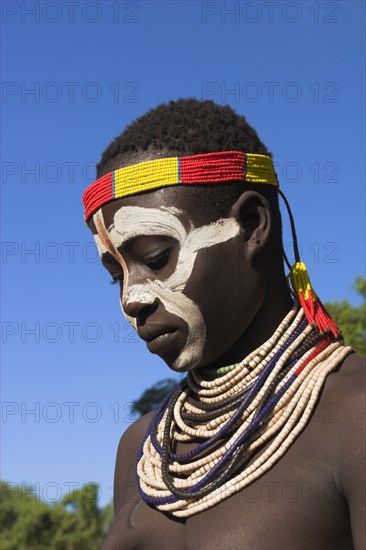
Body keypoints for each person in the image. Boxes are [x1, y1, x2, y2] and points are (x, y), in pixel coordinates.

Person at [82, 99, 365, 549]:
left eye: (156, 259)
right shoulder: (140, 448)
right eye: (117, 275)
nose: (131, 299)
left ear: (252, 225)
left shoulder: (353, 415)